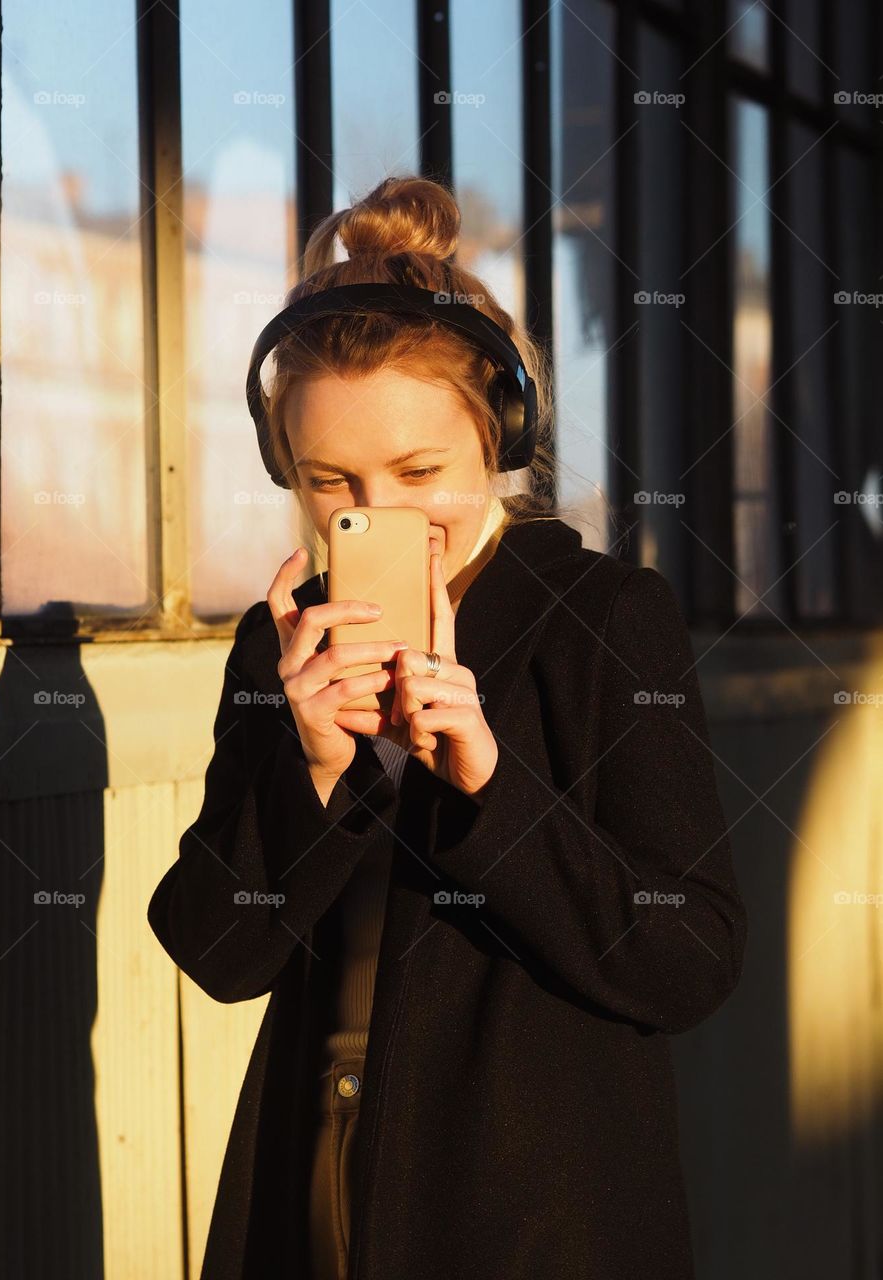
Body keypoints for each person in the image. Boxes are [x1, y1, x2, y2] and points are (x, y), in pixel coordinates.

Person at [147, 174, 748, 1280]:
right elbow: (215, 948)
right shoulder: (277, 647)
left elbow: (688, 957)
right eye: (332, 481)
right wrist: (315, 772)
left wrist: (492, 791)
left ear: (501, 435)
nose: (375, 508)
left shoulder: (602, 620)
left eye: (419, 470)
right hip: (312, 1197)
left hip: (529, 1217)